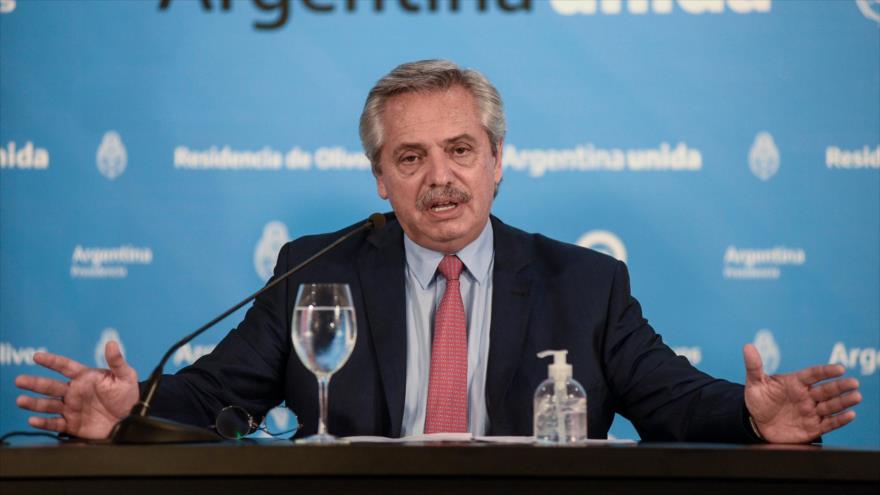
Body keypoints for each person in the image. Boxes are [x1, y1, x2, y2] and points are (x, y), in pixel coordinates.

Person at [15, 60, 861, 442]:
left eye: (461, 150)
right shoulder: (317, 269)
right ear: (380, 178)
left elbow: (673, 400)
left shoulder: (586, 281)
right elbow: (214, 390)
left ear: (497, 162)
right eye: (411, 158)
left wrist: (753, 418)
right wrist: (131, 410)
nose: (441, 179)